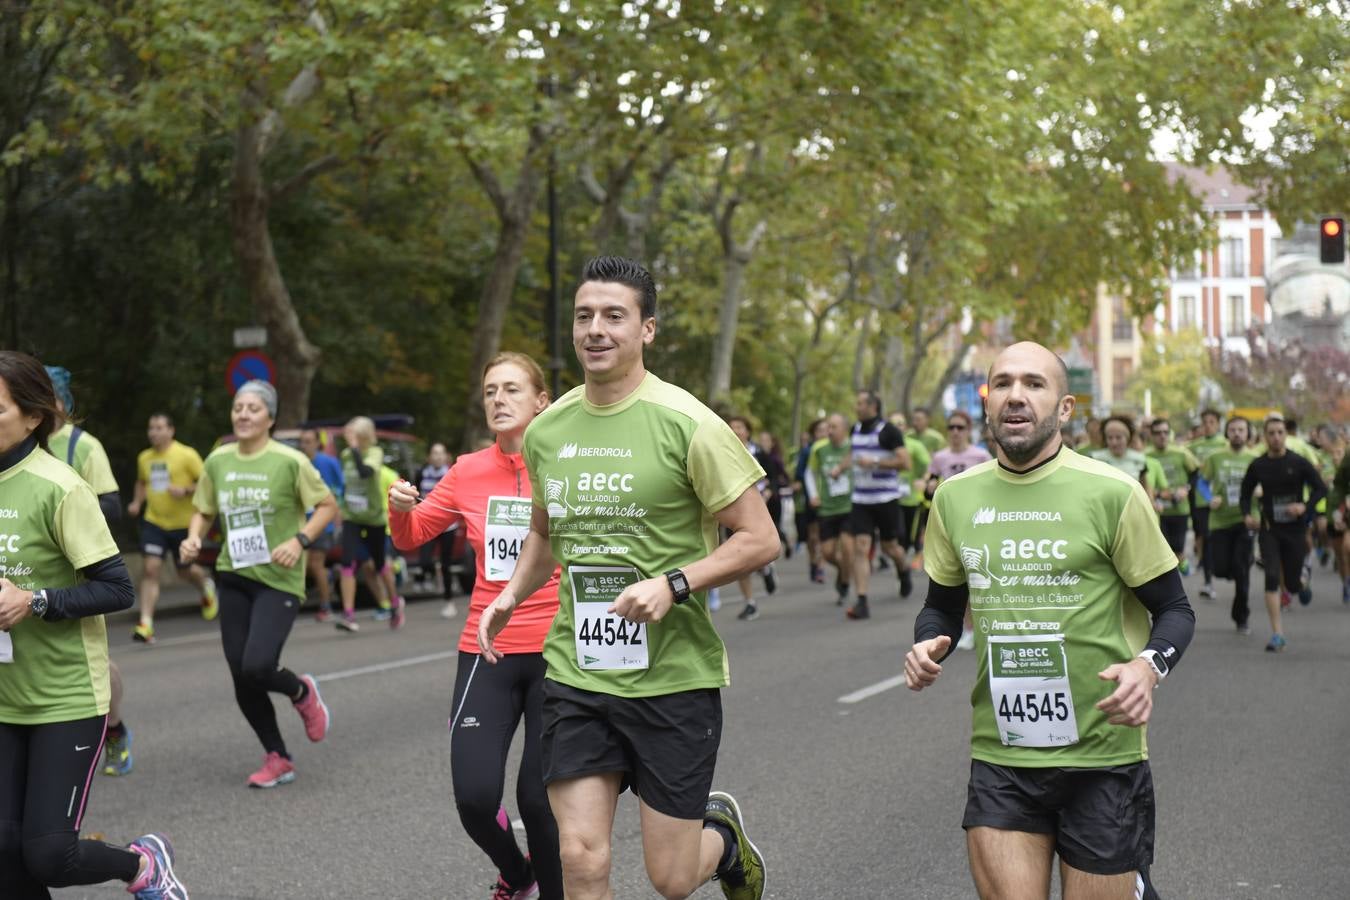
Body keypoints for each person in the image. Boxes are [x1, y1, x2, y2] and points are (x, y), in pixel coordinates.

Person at [477, 256, 775, 900]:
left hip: (673, 678)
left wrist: (674, 583)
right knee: (580, 858)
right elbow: (544, 535)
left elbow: (760, 538)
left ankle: (721, 839)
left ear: (647, 329)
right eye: (584, 315)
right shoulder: (548, 430)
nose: (596, 329)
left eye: (615, 315)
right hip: (578, 673)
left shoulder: (689, 423)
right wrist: (509, 595)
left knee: (670, 878)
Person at [905, 341, 1194, 900]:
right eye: (1004, 384)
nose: (1016, 396)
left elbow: (1174, 609)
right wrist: (925, 644)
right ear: (988, 403)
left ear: (1065, 409)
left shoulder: (1112, 493)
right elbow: (940, 605)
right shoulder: (955, 497)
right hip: (1002, 753)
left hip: (1102, 754)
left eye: (1034, 384)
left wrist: (1147, 666)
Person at [0, 351, 188, 899]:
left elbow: (117, 588)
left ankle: (141, 865)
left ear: (33, 417)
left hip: (65, 697)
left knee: (48, 854)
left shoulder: (59, 487)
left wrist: (34, 600)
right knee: (5, 858)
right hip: (3, 696)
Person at [389, 352, 563, 900]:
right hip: (486, 646)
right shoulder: (466, 470)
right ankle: (519, 873)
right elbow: (412, 535)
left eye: (512, 390)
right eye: (490, 391)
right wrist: (398, 507)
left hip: (558, 649)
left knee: (539, 801)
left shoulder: (565, 464)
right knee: (473, 798)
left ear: (541, 402)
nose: (499, 400)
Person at [181, 380, 337, 787]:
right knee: (240, 674)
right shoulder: (218, 460)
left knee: (258, 665)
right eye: (238, 407)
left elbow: (326, 506)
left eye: (253, 408)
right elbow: (203, 508)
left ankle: (300, 691)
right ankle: (278, 757)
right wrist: (195, 536)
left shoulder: (290, 461)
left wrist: (299, 540)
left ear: (269, 417)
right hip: (234, 575)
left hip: (278, 579)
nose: (244, 414)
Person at [126, 413, 218, 643]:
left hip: (183, 525)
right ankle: (146, 623)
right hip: (154, 522)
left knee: (185, 571)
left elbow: (208, 484)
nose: (153, 433)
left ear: (171, 431)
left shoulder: (186, 455)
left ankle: (205, 584)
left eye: (159, 428)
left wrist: (185, 490)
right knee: (150, 569)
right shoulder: (144, 457)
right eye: (151, 428)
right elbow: (142, 482)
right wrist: (137, 502)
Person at [1239, 415, 1327, 652]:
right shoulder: (1258, 465)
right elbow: (1245, 493)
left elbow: (1321, 488)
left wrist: (1304, 508)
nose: (1276, 437)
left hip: (1295, 530)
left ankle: (1301, 584)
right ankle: (1278, 634)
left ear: (1285, 435)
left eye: (1280, 432)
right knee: (1271, 575)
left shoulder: (1298, 462)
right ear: (1264, 437)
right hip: (1269, 528)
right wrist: (1247, 514)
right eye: (1271, 433)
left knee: (1291, 584)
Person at [921, 409, 992, 650]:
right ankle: (966, 627)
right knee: (955, 580)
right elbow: (928, 485)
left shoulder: (981, 455)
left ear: (968, 430)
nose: (955, 432)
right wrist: (928, 486)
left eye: (960, 427)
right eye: (951, 427)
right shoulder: (940, 457)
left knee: (973, 577)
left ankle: (973, 628)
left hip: (978, 521)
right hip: (952, 521)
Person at [843, 392, 914, 621]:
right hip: (861, 499)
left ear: (873, 406)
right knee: (861, 548)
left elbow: (905, 463)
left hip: (886, 499)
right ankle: (862, 601)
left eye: (861, 403)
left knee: (889, 547)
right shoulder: (855, 429)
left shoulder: (889, 431)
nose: (857, 407)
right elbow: (853, 454)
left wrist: (874, 462)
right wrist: (841, 467)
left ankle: (903, 569)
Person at [334, 416, 392, 632]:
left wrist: (356, 450)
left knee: (378, 564)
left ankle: (394, 602)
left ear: (363, 435)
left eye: (353, 434)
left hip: (373, 517)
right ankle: (348, 615)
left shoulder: (374, 453)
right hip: (352, 517)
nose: (349, 438)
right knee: (347, 562)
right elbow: (346, 483)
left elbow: (365, 472)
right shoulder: (346, 455)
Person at [1202, 416, 1259, 633]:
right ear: (1227, 433)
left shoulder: (1255, 459)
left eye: (1241, 429)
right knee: (1220, 568)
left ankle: (1241, 617)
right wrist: (1209, 497)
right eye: (1233, 429)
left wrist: (1260, 492)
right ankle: (1238, 564)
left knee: (1241, 571)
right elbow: (1201, 482)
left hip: (1245, 520)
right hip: (1219, 521)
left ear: (1248, 433)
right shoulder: (1215, 457)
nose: (1237, 433)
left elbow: (1265, 484)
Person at [726, 416, 779, 621]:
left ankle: (766, 568)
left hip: (761, 509)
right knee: (741, 556)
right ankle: (750, 602)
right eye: (732, 428)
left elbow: (773, 479)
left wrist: (766, 495)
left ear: (748, 431)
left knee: (758, 552)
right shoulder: (724, 454)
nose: (736, 431)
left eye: (740, 427)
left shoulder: (760, 453)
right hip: (734, 511)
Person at [805, 413, 853, 605]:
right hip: (827, 507)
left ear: (844, 429)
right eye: (827, 428)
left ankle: (846, 583)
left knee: (849, 549)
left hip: (849, 506)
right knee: (827, 553)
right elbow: (810, 472)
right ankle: (843, 571)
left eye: (833, 427)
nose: (829, 431)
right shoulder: (819, 449)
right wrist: (813, 494)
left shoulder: (853, 447)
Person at [298, 427, 344, 622]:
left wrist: (336, 513)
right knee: (305, 564)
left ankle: (326, 605)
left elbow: (341, 488)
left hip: (323, 521)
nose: (304, 445)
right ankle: (329, 577)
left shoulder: (328, 462)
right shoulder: (297, 463)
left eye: (308, 441)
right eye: (302, 441)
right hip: (302, 522)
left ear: (318, 443)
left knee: (315, 563)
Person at [1144, 418, 1199, 573]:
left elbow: (1196, 474)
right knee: (1161, 552)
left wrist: (1186, 489)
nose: (1162, 436)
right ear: (1151, 435)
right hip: (1155, 511)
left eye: (1165, 432)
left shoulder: (1181, 453)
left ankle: (1184, 567)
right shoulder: (1144, 455)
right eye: (1157, 433)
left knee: (1177, 550)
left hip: (1179, 509)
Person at [415, 442, 462, 619]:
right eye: (434, 453)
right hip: (428, 524)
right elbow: (417, 496)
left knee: (446, 564)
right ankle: (428, 574)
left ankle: (449, 602)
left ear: (446, 456)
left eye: (441, 453)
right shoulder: (422, 473)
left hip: (448, 526)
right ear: (429, 457)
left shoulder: (452, 473)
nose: (438, 457)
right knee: (424, 560)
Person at [1187, 409, 1226, 598]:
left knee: (1220, 539)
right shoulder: (1194, 447)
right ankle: (1208, 581)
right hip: (1202, 500)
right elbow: (1190, 472)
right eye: (1205, 422)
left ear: (1218, 424)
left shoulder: (1225, 445)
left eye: (1212, 421)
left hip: (1223, 502)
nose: (1208, 425)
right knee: (1206, 538)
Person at [792, 420, 829, 584]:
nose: (823, 433)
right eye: (820, 430)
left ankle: (820, 566)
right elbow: (800, 473)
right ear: (814, 433)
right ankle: (813, 562)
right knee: (812, 537)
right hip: (811, 498)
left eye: (826, 430)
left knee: (823, 536)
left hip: (829, 500)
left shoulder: (832, 449)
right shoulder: (808, 451)